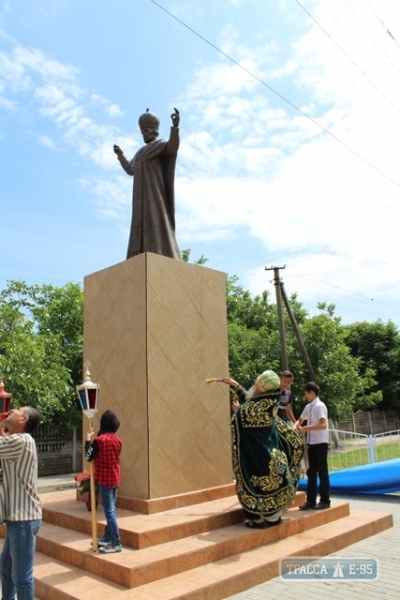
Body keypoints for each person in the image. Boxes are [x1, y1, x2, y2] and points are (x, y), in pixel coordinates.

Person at [222, 371, 304, 529]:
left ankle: (257, 520)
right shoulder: (271, 401)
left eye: (257, 383)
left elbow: (241, 415)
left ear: (261, 388)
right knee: (276, 484)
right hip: (274, 454)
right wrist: (236, 385)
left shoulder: (248, 410)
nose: (254, 385)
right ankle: (274, 518)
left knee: (255, 485)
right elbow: (251, 399)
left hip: (258, 457)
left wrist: (236, 410)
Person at [113, 108, 181, 260]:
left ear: (155, 131)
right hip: (140, 197)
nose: (144, 134)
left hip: (154, 193)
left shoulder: (160, 145)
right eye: (142, 131)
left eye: (147, 130)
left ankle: (160, 252)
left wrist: (175, 128)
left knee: (156, 220)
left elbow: (172, 147)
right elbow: (131, 170)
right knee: (142, 223)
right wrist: (121, 155)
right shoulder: (140, 152)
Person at [0, 406, 42, 600]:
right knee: (6, 569)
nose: (10, 411)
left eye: (16, 410)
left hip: (24, 518)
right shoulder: (13, 442)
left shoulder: (22, 440)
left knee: (21, 577)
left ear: (23, 419)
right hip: (17, 518)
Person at [85, 409, 123, 553]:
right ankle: (108, 536)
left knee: (109, 511)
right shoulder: (118, 440)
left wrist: (88, 440)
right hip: (115, 479)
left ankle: (116, 541)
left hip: (104, 481)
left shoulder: (99, 441)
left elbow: (88, 456)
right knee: (111, 509)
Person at [295, 381, 330, 510]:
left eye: (306, 394)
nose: (305, 396)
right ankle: (310, 500)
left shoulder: (319, 406)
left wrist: (306, 428)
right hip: (311, 443)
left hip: (320, 443)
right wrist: (294, 428)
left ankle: (325, 500)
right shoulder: (309, 407)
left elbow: (323, 424)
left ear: (311, 393)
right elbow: (300, 420)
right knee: (311, 472)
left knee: (322, 472)